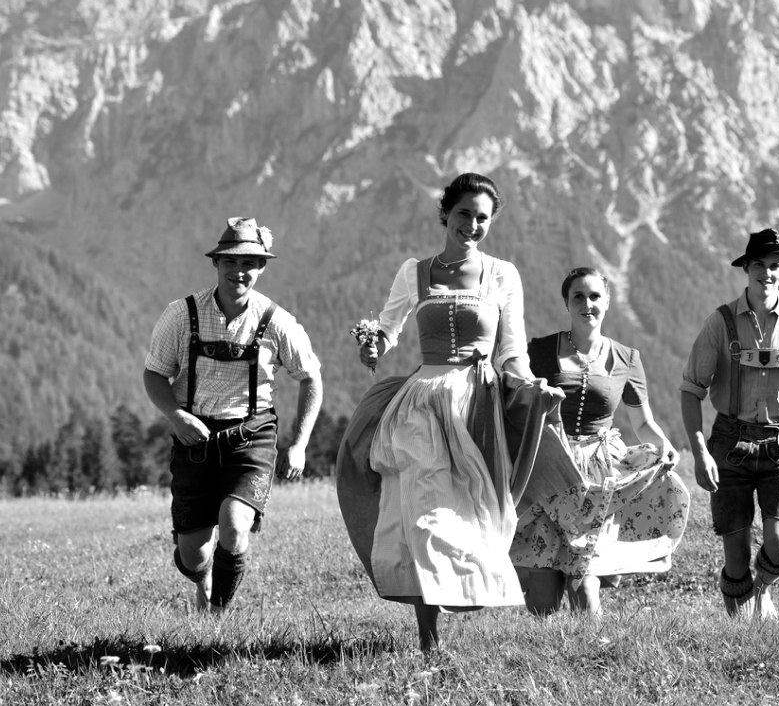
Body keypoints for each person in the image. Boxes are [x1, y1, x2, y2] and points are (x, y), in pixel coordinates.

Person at [334, 172, 562, 654]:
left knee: (471, 518)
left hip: (477, 406)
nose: (473, 226)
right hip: (422, 403)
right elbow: (388, 331)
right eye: (464, 215)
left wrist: (529, 385)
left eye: (482, 218)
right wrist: (372, 346)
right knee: (422, 515)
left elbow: (512, 353)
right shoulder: (413, 271)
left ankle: (462, 594)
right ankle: (428, 640)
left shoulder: (503, 274)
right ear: (445, 214)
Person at [142, 216, 323, 613]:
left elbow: (311, 379)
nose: (239, 272)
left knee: (235, 525)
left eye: (249, 264)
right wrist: (175, 415)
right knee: (193, 554)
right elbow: (154, 373)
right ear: (216, 264)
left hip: (251, 436)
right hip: (194, 439)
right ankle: (201, 576)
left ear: (261, 269)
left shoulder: (278, 322)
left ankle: (217, 617)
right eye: (230, 263)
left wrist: (299, 444)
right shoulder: (181, 314)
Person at [510, 268, 690, 617]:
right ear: (566, 302)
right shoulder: (540, 351)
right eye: (578, 296)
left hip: (598, 472)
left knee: (585, 575)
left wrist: (665, 446)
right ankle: (541, 659)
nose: (587, 304)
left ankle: (590, 653)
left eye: (595, 296)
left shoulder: (627, 358)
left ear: (607, 302)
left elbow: (643, 421)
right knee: (544, 588)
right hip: (550, 466)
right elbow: (517, 403)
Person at [680, 228, 779, 620]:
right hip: (730, 443)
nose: (768, 273)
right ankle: (743, 636)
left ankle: (760, 593)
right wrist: (699, 454)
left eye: (776, 266)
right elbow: (690, 390)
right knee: (735, 558)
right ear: (746, 268)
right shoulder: (720, 323)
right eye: (760, 265)